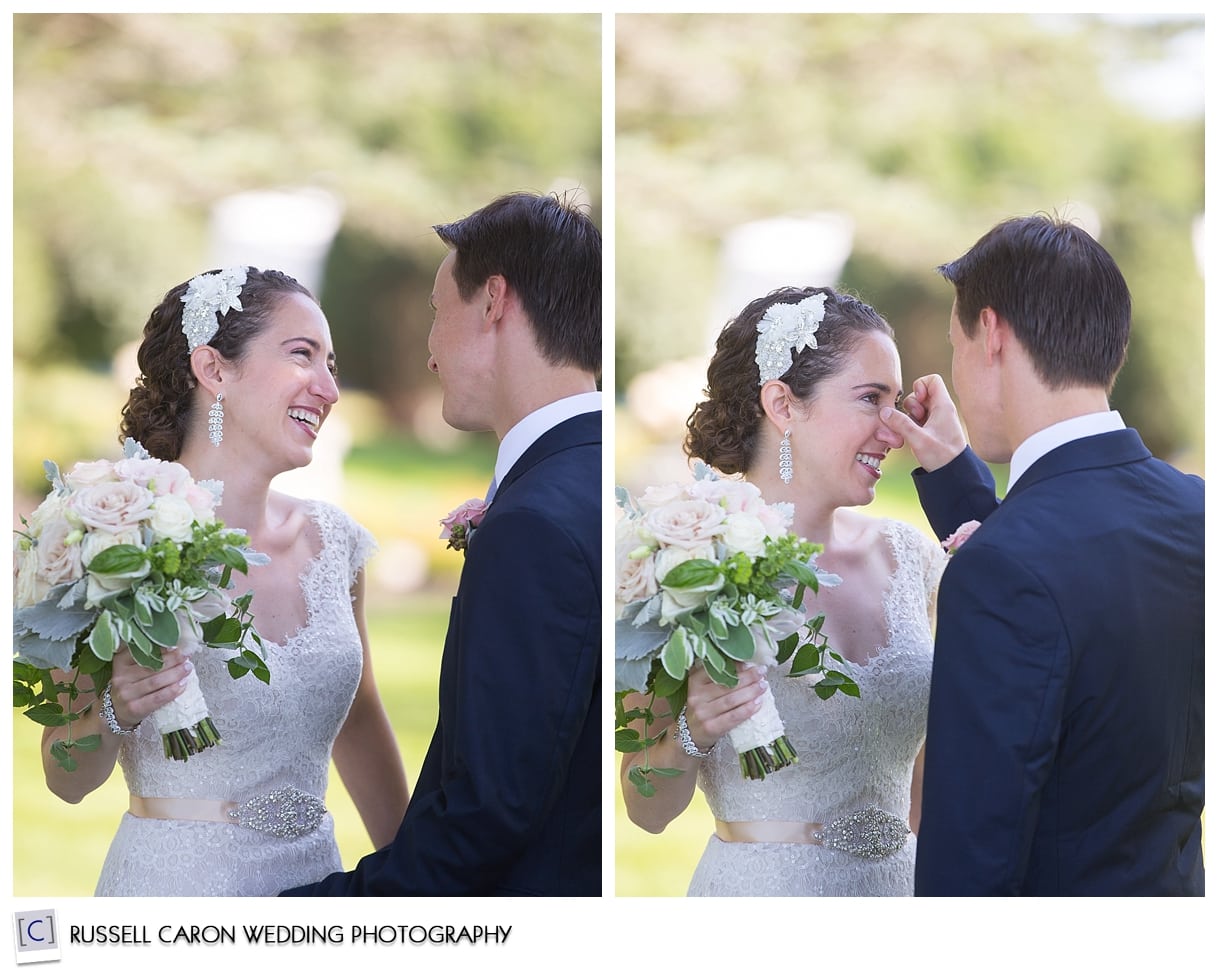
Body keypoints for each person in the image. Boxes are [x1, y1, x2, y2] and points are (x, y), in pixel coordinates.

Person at [40, 266, 410, 896]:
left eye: (332, 364)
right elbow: (65, 777)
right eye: (303, 355)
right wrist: (115, 708)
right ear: (214, 370)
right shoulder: (110, 538)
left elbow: (359, 716)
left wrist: (417, 879)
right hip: (174, 894)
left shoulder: (334, 542)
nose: (330, 388)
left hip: (318, 891)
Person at [283, 191, 602, 896]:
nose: (429, 352)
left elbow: (486, 819)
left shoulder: (535, 523)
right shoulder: (595, 483)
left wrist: (301, 920)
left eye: (436, 312)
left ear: (493, 301)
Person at [881, 214, 1204, 895]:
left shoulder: (1003, 570)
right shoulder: (1195, 513)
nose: (958, 378)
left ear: (992, 333)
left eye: (956, 346)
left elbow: (971, 856)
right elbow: (1073, 584)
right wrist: (953, 471)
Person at [619, 285, 946, 896]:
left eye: (897, 402)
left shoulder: (915, 559)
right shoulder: (683, 560)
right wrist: (693, 728)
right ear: (783, 403)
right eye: (871, 399)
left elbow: (928, 785)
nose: (894, 429)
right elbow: (646, 809)